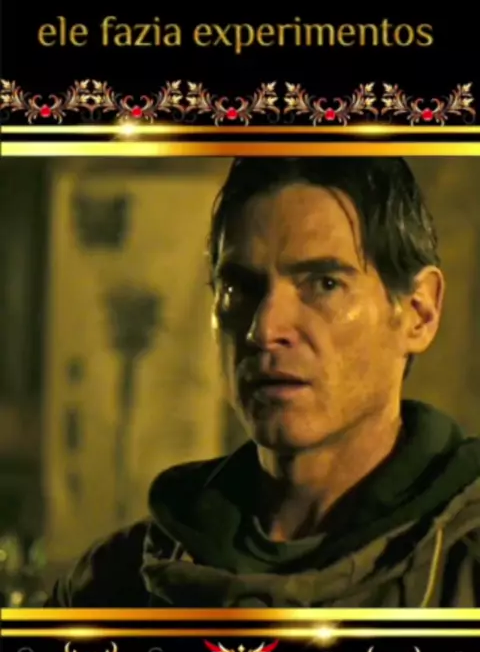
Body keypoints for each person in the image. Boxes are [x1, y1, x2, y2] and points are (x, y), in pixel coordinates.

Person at [46, 156, 480, 608]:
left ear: (418, 313)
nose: (264, 328)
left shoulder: (463, 572)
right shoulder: (115, 583)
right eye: (239, 288)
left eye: (324, 284)